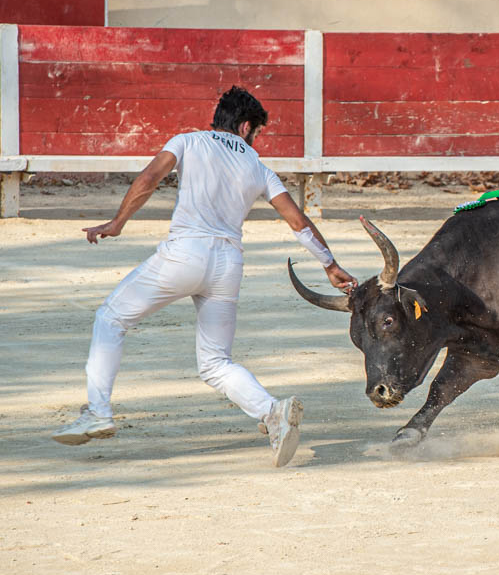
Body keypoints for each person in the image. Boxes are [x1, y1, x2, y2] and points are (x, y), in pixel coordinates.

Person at [51, 86, 357, 467]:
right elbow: (298, 221)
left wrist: (118, 223)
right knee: (215, 362)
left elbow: (148, 178)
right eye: (257, 132)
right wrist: (329, 264)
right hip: (228, 264)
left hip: (184, 254)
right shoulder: (258, 166)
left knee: (111, 318)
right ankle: (270, 412)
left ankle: (97, 410)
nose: (255, 139)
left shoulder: (188, 141)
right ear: (246, 126)